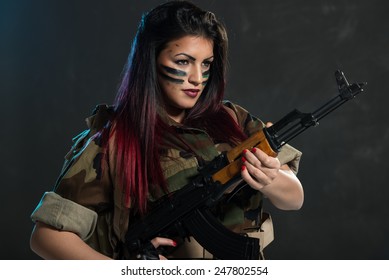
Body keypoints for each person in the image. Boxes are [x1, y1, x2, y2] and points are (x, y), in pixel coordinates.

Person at [30, 0, 304, 260]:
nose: (197, 78)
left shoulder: (231, 119)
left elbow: (294, 199)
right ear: (151, 60)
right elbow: (46, 238)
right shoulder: (115, 140)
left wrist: (270, 179)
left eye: (206, 63)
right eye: (183, 61)